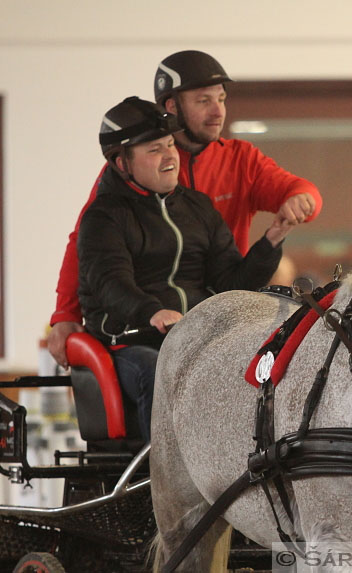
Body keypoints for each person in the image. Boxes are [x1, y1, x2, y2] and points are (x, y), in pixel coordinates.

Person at [48, 50, 322, 367]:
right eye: (203, 101)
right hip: (149, 330)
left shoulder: (239, 161)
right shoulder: (126, 179)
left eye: (221, 99)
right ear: (172, 106)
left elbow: (301, 193)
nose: (218, 111)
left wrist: (301, 202)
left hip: (218, 319)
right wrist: (65, 314)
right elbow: (87, 244)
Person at [78, 97, 289, 441]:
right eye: (153, 150)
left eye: (170, 145)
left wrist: (270, 244)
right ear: (121, 162)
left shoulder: (198, 207)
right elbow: (109, 284)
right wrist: (153, 313)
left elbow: (230, 283)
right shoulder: (103, 217)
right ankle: (157, 483)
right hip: (128, 343)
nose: (170, 156)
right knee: (156, 371)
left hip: (194, 337)